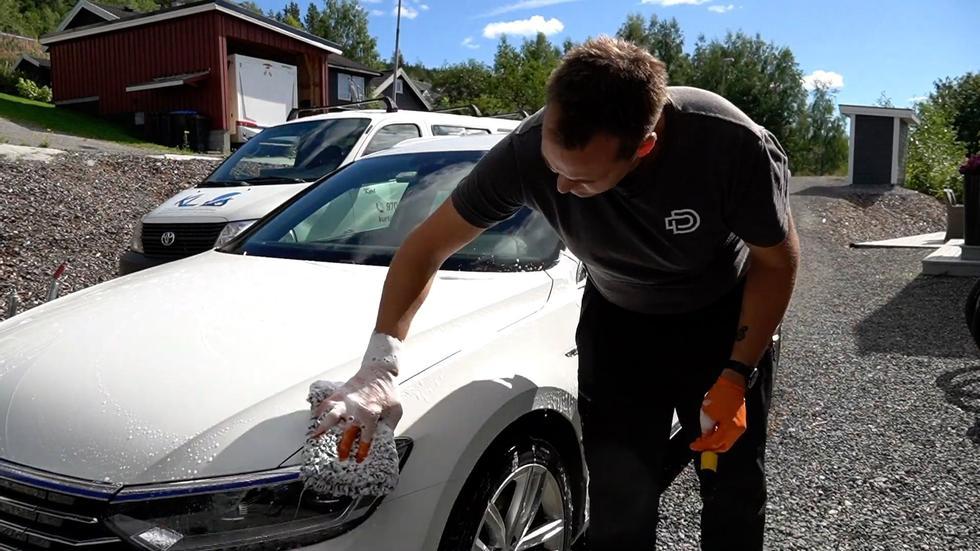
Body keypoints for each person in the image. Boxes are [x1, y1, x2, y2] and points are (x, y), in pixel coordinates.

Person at [311, 36, 800, 550]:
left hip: (722, 318)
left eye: (583, 179)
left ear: (645, 147)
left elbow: (776, 260)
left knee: (732, 486)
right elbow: (425, 247)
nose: (562, 190)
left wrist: (736, 372)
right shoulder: (524, 155)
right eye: (555, 168)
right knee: (618, 496)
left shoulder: (729, 145)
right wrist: (379, 365)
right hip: (620, 322)